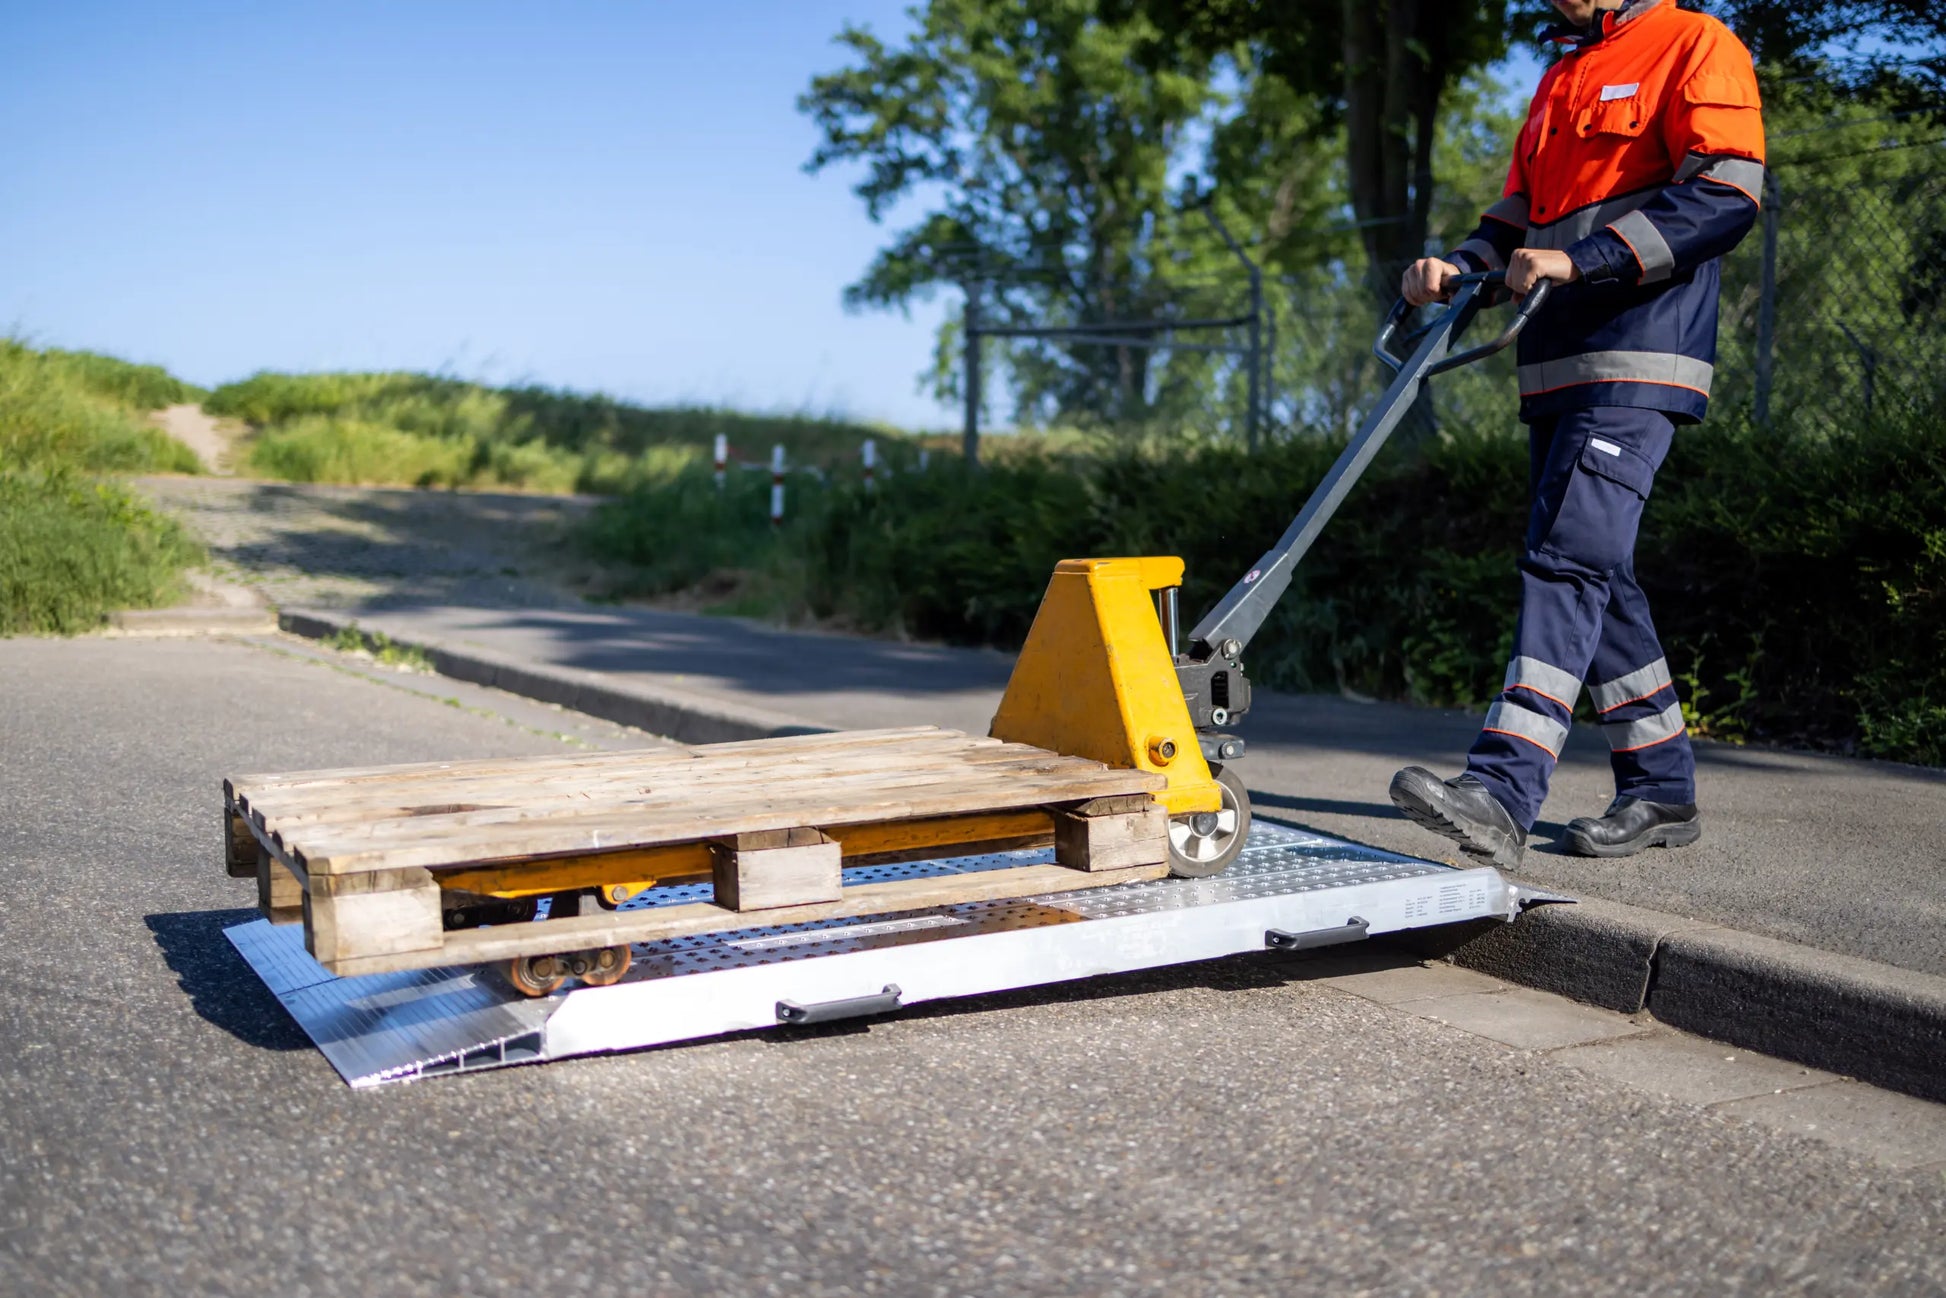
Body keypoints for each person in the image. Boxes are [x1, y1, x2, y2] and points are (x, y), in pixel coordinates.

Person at [1386, 0, 1766, 866]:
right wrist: (1461, 267)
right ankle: (1662, 791)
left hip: (1640, 356)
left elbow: (1726, 195)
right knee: (1598, 570)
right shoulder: (1562, 72)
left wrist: (1585, 260)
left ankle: (1503, 789)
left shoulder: (1695, 44)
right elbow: (1521, 220)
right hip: (1555, 367)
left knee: (1566, 559)